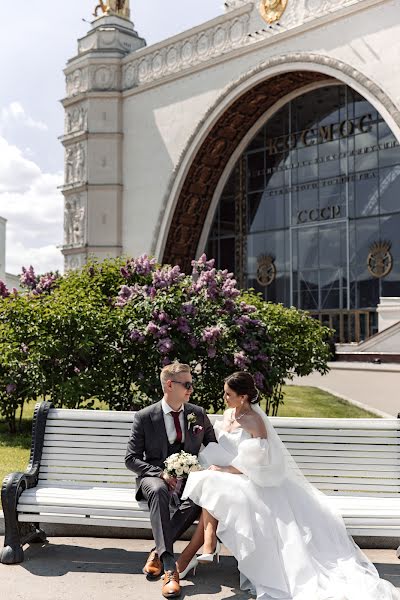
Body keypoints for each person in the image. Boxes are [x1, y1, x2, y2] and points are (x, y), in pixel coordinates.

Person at [178, 371, 400, 600]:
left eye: (228, 394)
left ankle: (203, 546)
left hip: (251, 480)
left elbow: (258, 463)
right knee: (209, 480)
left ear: (243, 397)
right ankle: (207, 543)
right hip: (227, 476)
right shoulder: (227, 414)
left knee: (211, 482)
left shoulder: (254, 421)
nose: (224, 398)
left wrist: (224, 470)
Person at [125, 362, 216, 598]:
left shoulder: (197, 414)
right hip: (153, 477)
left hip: (188, 480)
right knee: (158, 490)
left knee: (200, 496)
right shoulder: (145, 416)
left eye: (191, 384)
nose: (191, 389)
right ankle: (169, 567)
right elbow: (131, 459)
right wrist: (160, 474)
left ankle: (157, 552)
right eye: (186, 384)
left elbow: (215, 446)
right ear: (169, 385)